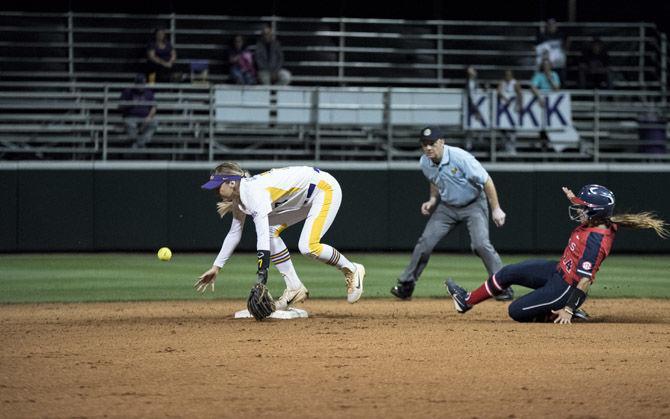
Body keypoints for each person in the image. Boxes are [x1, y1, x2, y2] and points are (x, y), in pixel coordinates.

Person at [446, 184, 668, 323]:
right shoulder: (598, 220)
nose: (578, 209)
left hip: (566, 287)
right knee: (508, 273)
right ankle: (466, 301)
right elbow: (592, 211)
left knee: (515, 311)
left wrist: (570, 308)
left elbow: (584, 281)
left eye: (583, 207)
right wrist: (574, 197)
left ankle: (557, 311)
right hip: (557, 271)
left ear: (594, 213)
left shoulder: (596, 240)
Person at [194, 162, 366, 310]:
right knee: (270, 232)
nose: (216, 191)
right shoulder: (241, 197)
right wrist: (216, 267)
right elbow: (234, 233)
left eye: (218, 186)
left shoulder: (253, 193)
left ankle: (351, 269)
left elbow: (260, 235)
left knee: (308, 246)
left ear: (231, 183)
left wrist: (262, 276)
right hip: (303, 198)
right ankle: (294, 287)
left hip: (324, 189)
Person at [390, 127, 514, 301]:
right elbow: (434, 180)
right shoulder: (425, 161)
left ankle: (503, 286)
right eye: (424, 144)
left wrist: (496, 208)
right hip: (447, 207)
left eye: (432, 144)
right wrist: (433, 200)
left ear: (441, 142)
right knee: (425, 244)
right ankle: (406, 285)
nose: (428, 148)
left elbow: (486, 180)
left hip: (473, 204)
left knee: (480, 244)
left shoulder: (460, 157)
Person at [119, 74, 157, 148]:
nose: (141, 86)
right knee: (128, 123)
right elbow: (120, 106)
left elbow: (153, 107)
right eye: (139, 83)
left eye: (142, 83)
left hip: (145, 118)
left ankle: (138, 144)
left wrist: (149, 117)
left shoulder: (148, 92)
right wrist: (129, 104)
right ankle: (140, 144)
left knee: (154, 123)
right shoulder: (128, 91)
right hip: (131, 117)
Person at [496, 69, 523, 155]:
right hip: (504, 110)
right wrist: (504, 98)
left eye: (509, 75)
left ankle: (512, 148)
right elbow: (498, 92)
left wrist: (519, 105)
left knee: (512, 130)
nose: (507, 77)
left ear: (512, 75)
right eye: (506, 75)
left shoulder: (515, 83)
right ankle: (505, 148)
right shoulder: (502, 83)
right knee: (504, 130)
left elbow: (520, 94)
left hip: (512, 110)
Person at [535, 18, 568, 84]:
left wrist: (565, 49)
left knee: (561, 60)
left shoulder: (560, 34)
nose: (551, 26)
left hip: (558, 58)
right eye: (549, 24)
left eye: (553, 24)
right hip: (547, 57)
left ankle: (561, 85)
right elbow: (537, 47)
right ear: (547, 26)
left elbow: (567, 41)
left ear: (556, 25)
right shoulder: (543, 36)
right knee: (542, 62)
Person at [464, 66, 485, 151]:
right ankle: (468, 145)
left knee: (480, 124)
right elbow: (469, 95)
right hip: (470, 106)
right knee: (469, 126)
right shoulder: (468, 82)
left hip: (477, 105)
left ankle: (479, 143)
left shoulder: (477, 82)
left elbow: (480, 93)